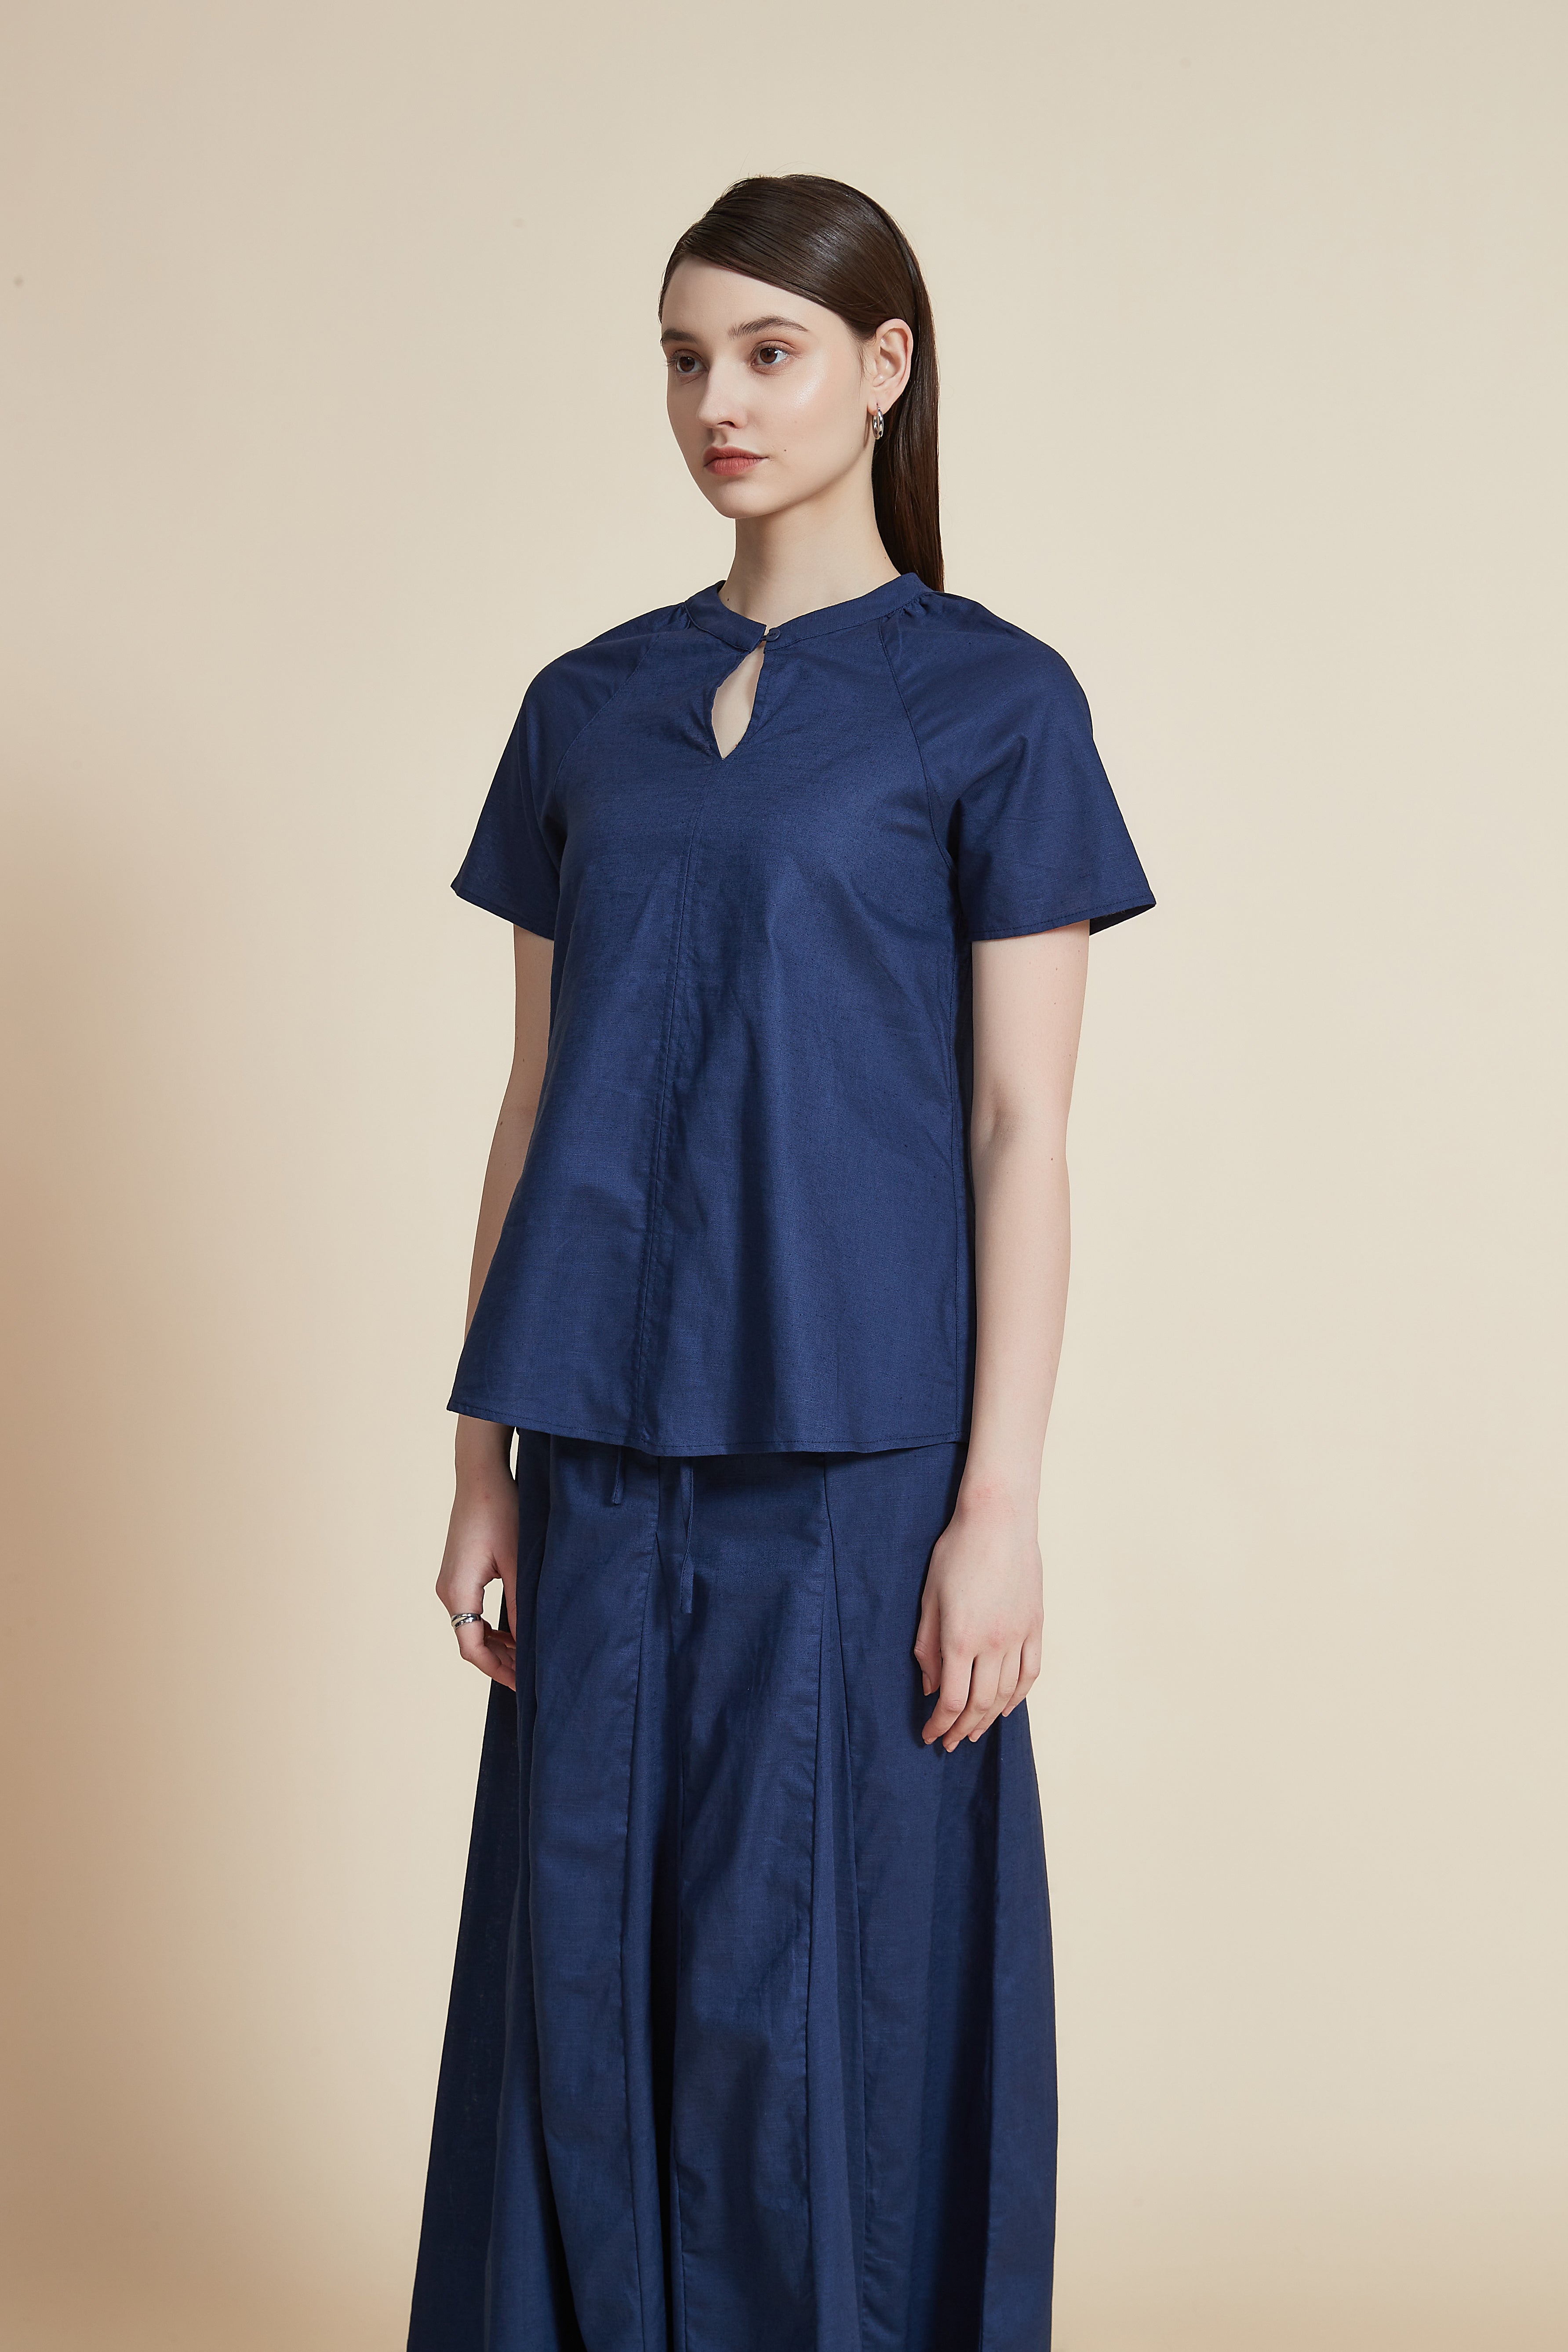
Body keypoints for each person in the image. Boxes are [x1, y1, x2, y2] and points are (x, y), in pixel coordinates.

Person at [406, 173, 1153, 2352]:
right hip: (598, 1447)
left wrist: (998, 1505)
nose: (716, 402)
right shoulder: (586, 705)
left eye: (768, 352)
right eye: (683, 358)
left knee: (822, 1988)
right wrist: (477, 1462)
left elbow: (1021, 1130)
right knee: (586, 1971)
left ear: (882, 368)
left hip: (860, 1454)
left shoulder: (993, 703)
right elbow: (535, 1102)